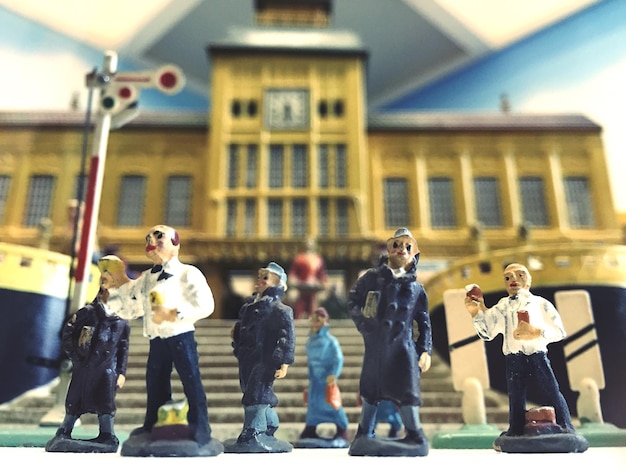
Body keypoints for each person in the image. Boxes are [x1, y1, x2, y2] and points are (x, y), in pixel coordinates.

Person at [105, 224, 222, 456]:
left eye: (159, 237)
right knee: (155, 381)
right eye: (148, 238)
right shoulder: (147, 277)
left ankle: (200, 425)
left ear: (175, 242)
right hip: (157, 338)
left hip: (180, 335)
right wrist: (115, 287)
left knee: (191, 380)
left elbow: (206, 305)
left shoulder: (189, 273)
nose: (152, 241)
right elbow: (132, 306)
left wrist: (175, 313)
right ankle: (152, 423)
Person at [347, 227, 432, 457]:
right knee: (371, 390)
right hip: (376, 345)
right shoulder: (372, 278)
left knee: (407, 392)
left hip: (403, 348)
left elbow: (423, 323)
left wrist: (425, 350)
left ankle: (414, 433)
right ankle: (364, 432)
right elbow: (353, 300)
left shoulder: (416, 288)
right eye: (396, 245)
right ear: (388, 249)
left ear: (415, 253)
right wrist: (365, 325)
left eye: (407, 246)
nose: (401, 250)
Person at [464, 263, 575, 437]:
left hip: (537, 354)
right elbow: (488, 333)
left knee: (551, 389)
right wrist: (476, 312)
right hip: (513, 357)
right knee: (515, 395)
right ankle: (515, 429)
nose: (513, 280)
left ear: (528, 281)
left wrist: (537, 332)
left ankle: (565, 425)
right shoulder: (503, 306)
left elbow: (560, 331)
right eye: (508, 277)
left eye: (519, 275)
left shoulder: (540, 304)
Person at [45, 255, 130, 453]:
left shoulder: (122, 319)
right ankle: (65, 430)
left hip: (107, 368)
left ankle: (107, 434)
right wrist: (74, 355)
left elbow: (123, 347)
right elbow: (68, 332)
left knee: (106, 403)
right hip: (84, 365)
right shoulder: (88, 312)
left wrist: (122, 371)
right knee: (75, 399)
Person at [226, 262, 296, 453]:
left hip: (266, 359)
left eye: (265, 278)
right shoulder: (249, 307)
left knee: (255, 395)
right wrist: (237, 333)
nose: (260, 281)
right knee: (250, 389)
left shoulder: (280, 310)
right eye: (260, 277)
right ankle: (270, 425)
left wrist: (284, 362)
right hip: (247, 357)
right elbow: (246, 328)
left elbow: (286, 337)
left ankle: (253, 432)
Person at [297, 307, 350, 447]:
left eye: (318, 320)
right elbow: (310, 362)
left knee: (332, 404)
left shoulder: (331, 341)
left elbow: (338, 359)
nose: (315, 322)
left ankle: (342, 429)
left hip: (327, 379)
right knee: (314, 405)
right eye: (313, 319)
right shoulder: (310, 341)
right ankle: (310, 428)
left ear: (325, 321)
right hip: (315, 380)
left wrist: (333, 374)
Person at [289, 238, 328, 319]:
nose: (309, 245)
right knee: (299, 306)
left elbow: (322, 274)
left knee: (313, 306)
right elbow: (293, 273)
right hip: (302, 286)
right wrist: (293, 281)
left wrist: (321, 282)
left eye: (311, 243)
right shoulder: (299, 259)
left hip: (313, 288)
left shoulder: (318, 259)